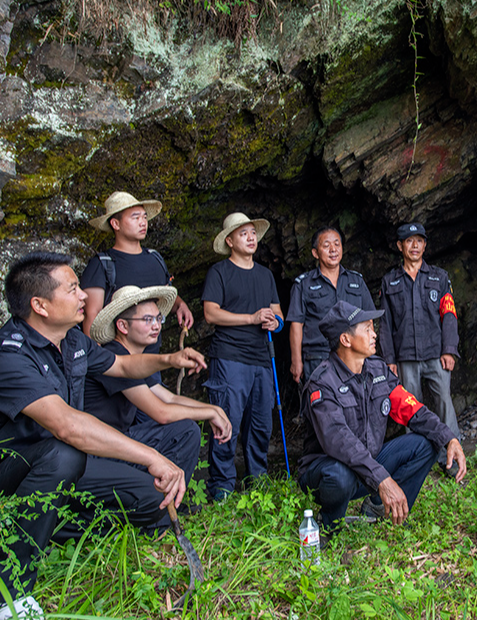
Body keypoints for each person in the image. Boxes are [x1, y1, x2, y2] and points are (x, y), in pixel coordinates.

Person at [0, 252, 206, 619]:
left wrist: (167, 360)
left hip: (61, 465)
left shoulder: (73, 342)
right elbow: (67, 426)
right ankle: (5, 591)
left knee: (148, 500)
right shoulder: (6, 353)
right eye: (73, 288)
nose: (85, 297)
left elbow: (121, 364)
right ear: (40, 305)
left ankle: (48, 528)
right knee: (64, 452)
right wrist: (152, 456)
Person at [71, 285, 233, 537]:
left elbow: (168, 397)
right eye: (147, 319)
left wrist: (213, 409)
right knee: (185, 430)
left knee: (185, 429)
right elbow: (162, 412)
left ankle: (161, 507)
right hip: (100, 453)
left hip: (121, 442)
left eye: (159, 318)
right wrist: (209, 414)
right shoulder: (114, 355)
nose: (157, 325)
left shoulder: (135, 359)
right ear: (123, 327)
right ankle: (156, 519)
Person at [298, 301, 467, 537]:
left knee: (426, 443)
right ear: (346, 340)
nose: (374, 334)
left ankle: (381, 508)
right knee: (340, 474)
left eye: (372, 328)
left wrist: (449, 438)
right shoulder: (323, 382)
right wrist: (382, 479)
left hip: (368, 463)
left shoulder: (377, 371)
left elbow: (411, 409)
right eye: (366, 329)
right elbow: (339, 441)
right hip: (326, 470)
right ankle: (328, 526)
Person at [202, 212, 284, 501]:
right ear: (229, 241)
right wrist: (250, 318)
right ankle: (222, 487)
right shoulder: (219, 272)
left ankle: (257, 482)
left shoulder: (265, 275)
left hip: (262, 358)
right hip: (229, 358)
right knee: (227, 423)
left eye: (253, 233)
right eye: (243, 234)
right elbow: (211, 313)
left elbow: (278, 313)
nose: (251, 238)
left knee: (261, 423)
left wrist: (275, 322)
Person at [379, 223, 461, 447]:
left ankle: (452, 456)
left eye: (419, 241)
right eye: (408, 241)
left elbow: (450, 316)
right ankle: (417, 457)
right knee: (410, 407)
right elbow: (385, 324)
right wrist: (389, 360)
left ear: (425, 245)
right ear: (400, 245)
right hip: (405, 357)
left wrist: (449, 350)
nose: (414, 245)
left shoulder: (440, 278)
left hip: (436, 353)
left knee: (444, 402)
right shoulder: (389, 282)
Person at [80, 191, 194, 342]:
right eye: (135, 217)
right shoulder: (102, 264)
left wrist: (180, 305)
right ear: (116, 224)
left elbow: (164, 296)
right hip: (117, 357)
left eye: (144, 217)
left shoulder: (155, 258)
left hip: (153, 355)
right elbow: (91, 317)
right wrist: (99, 361)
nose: (143, 222)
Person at [287, 226, 376, 385]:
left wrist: (368, 352)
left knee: (356, 404)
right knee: (321, 406)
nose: (333, 249)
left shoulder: (356, 281)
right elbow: (296, 324)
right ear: (315, 253)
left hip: (353, 354)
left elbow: (369, 319)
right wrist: (296, 360)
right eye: (326, 245)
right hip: (317, 357)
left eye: (337, 244)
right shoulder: (304, 284)